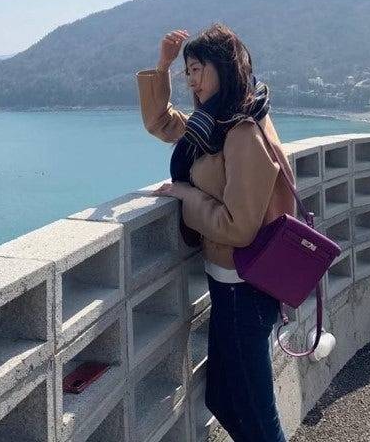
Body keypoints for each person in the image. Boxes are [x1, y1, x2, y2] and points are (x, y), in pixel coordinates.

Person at [135, 23, 296, 441]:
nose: (191, 80)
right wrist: (163, 66)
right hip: (229, 288)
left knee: (258, 420)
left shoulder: (242, 131)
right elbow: (161, 122)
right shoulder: (216, 124)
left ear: (224, 68)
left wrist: (187, 194)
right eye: (187, 71)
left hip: (245, 291)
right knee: (222, 398)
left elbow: (238, 227)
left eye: (198, 70)